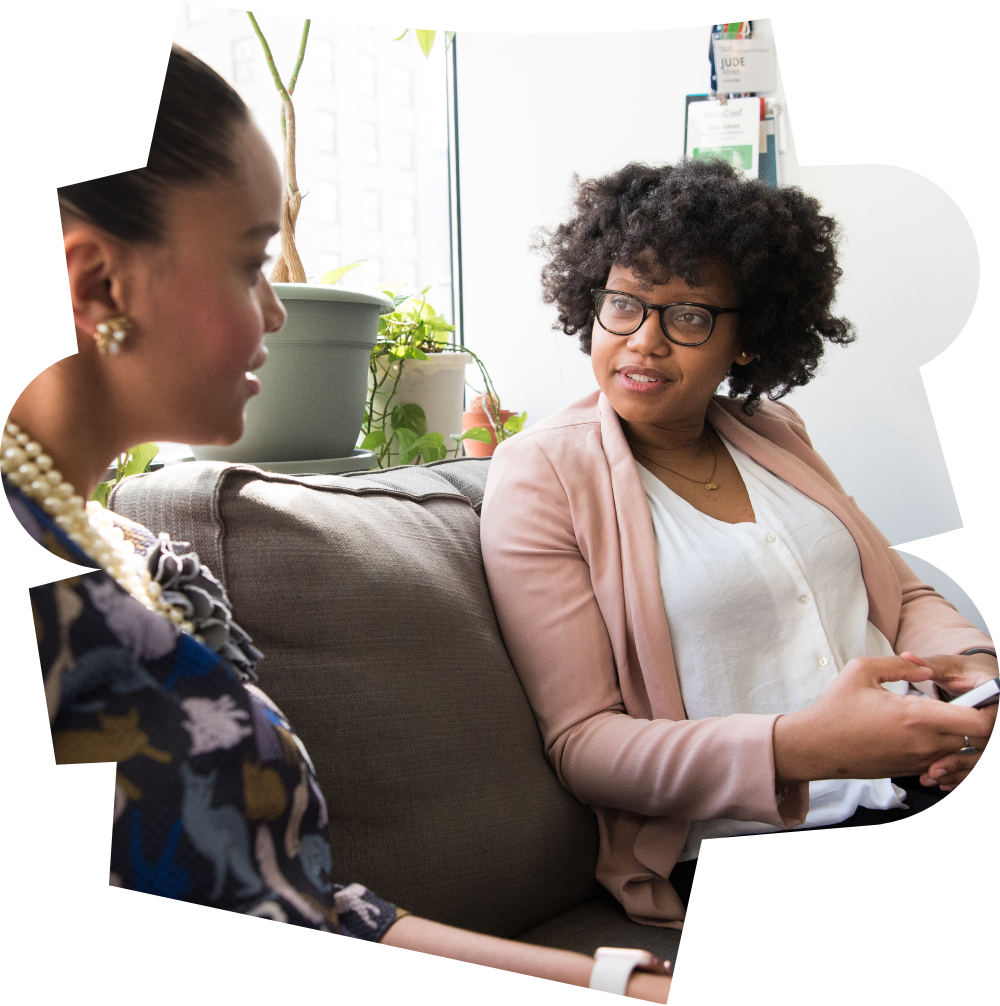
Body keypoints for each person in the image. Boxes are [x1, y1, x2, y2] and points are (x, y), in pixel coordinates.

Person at [2, 47, 672, 1000]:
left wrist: (616, 978)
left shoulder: (143, 566)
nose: (275, 311)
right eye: (248, 263)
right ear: (97, 286)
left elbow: (299, 899)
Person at [478, 158, 996, 928]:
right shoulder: (542, 474)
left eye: (688, 316)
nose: (644, 342)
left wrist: (975, 679)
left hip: (919, 770)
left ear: (747, 338)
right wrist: (801, 749)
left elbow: (901, 591)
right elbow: (585, 745)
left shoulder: (775, 432)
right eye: (624, 305)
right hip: (765, 824)